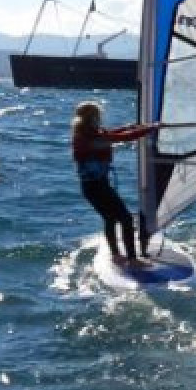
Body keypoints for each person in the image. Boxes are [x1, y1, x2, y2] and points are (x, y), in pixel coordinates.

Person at [70, 101, 158, 266]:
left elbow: (112, 133)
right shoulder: (87, 138)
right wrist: (151, 128)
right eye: (98, 116)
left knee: (110, 218)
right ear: (92, 118)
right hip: (97, 188)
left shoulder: (88, 132)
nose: (101, 119)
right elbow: (122, 138)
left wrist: (129, 126)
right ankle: (132, 259)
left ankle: (116, 255)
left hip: (93, 187)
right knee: (125, 219)